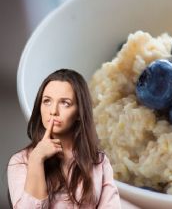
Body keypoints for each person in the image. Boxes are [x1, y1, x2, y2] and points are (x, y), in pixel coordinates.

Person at [7, 69, 121, 208]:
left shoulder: (99, 162)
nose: (53, 111)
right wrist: (36, 160)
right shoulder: (20, 161)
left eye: (65, 103)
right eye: (47, 101)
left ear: (79, 112)